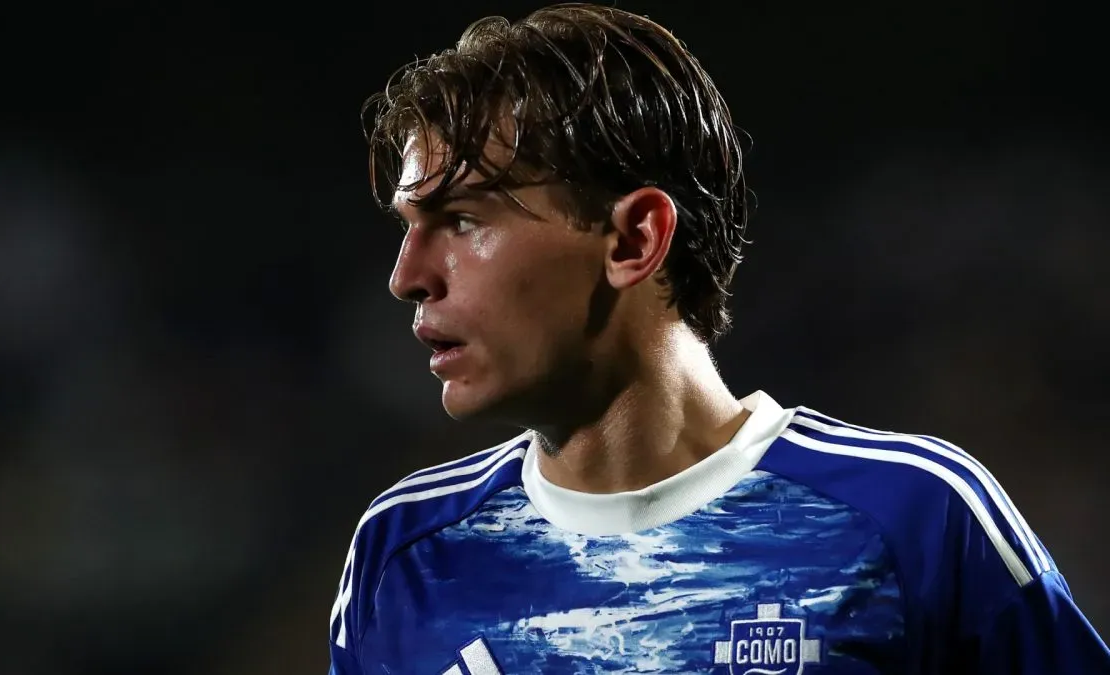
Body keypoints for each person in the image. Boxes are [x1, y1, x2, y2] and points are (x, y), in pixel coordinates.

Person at [328, 4, 1110, 673]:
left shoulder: (918, 516)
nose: (407, 276)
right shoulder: (401, 556)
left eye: (462, 219)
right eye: (410, 226)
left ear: (634, 239)